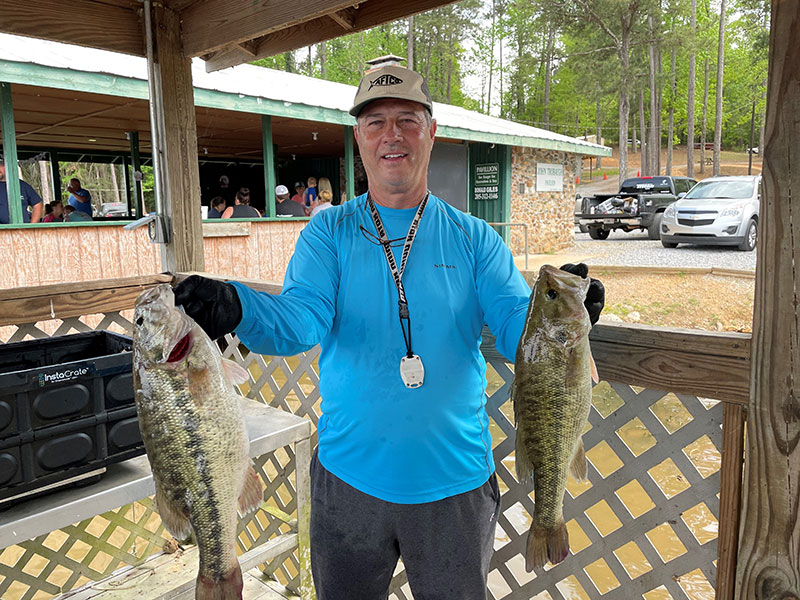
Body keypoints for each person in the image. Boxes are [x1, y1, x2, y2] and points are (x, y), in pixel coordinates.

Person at [174, 64, 604, 600]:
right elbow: (299, 321)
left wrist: (567, 319)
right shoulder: (328, 232)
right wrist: (237, 305)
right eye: (375, 122)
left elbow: (518, 320)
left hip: (454, 483)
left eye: (407, 120)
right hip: (347, 482)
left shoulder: (474, 238)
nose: (391, 135)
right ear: (358, 137)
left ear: (432, 132)